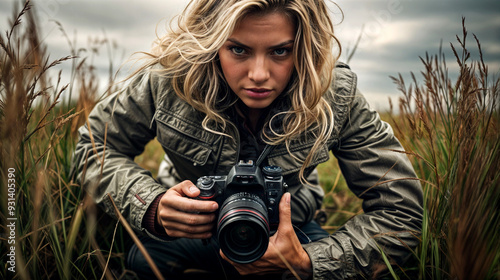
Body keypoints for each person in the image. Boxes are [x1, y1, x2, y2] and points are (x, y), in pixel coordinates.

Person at [71, 0, 423, 279]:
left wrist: (308, 262)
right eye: (238, 50)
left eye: (280, 51)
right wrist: (151, 205)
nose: (258, 75)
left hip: (289, 230)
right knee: (145, 265)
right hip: (192, 232)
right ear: (212, 44)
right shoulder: (168, 81)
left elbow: (402, 211)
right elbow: (92, 147)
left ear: (303, 46)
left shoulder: (335, 94)